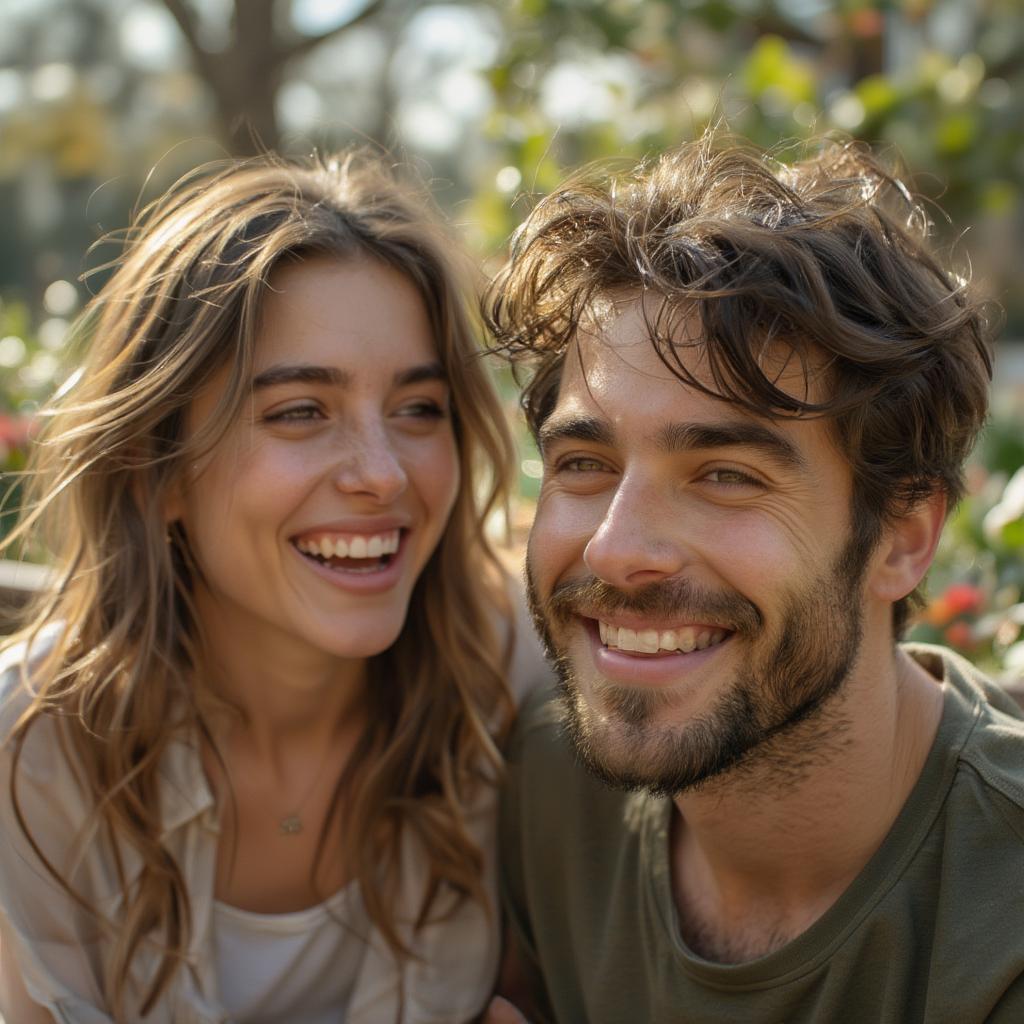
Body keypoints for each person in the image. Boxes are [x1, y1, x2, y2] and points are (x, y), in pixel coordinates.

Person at [483, 134, 1024, 1023]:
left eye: (726, 476)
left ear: (903, 537)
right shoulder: (549, 794)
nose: (617, 550)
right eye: (582, 464)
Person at [0, 150, 542, 1023]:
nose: (383, 474)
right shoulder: (31, 749)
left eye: (418, 409)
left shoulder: (518, 680)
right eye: (300, 412)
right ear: (157, 468)